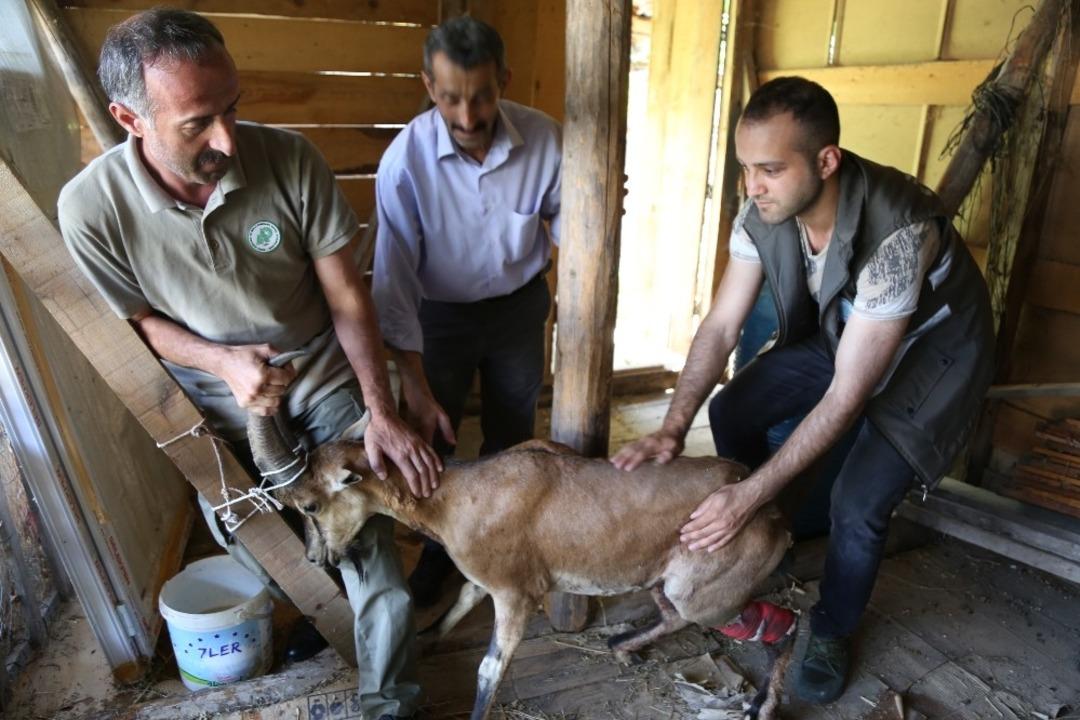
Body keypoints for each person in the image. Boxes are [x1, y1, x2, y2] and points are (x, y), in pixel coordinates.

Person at [57, 9, 440, 719]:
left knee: (368, 549)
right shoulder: (89, 210)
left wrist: (380, 409)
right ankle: (318, 623)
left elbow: (349, 299)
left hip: (321, 374)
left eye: (232, 108)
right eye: (197, 123)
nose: (227, 139)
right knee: (262, 546)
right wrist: (221, 363)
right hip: (214, 399)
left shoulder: (290, 160)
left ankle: (390, 703)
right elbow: (140, 321)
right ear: (128, 117)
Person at [612, 76, 994, 704]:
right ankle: (771, 539)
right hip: (852, 326)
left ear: (826, 161)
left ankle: (834, 626)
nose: (751, 186)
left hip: (934, 355)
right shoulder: (763, 211)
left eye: (768, 169)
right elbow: (722, 322)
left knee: (858, 503)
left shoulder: (900, 233)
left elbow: (847, 395)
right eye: (744, 168)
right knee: (734, 405)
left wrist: (748, 493)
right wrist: (673, 428)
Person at [373, 16, 562, 606]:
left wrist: (601, 204)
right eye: (451, 97)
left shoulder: (547, 141)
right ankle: (440, 557)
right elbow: (395, 278)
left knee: (512, 435)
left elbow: (569, 226)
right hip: (439, 318)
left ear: (503, 80)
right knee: (435, 442)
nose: (468, 115)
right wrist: (411, 377)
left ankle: (512, 550)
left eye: (481, 96)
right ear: (429, 86)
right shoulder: (405, 160)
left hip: (518, 309)